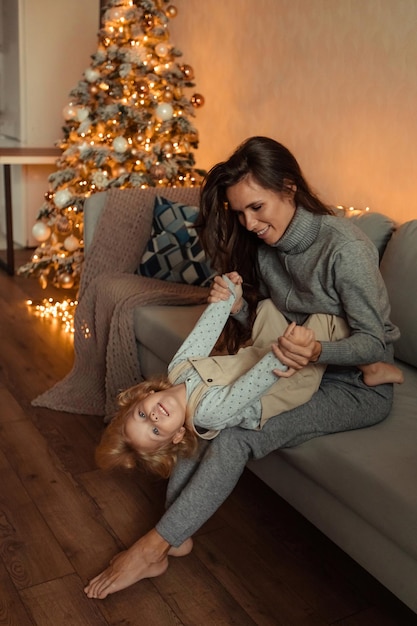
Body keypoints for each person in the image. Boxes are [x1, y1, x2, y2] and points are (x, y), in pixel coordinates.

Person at [84, 136, 402, 599]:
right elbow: (272, 327)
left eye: (256, 207)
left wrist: (317, 355)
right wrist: (232, 308)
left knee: (232, 433)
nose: (249, 224)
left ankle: (154, 545)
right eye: (239, 213)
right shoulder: (268, 244)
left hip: (352, 383)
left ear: (288, 188)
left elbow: (374, 342)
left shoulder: (344, 250)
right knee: (199, 418)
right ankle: (170, 537)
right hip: (290, 362)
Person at [96, 273, 401, 480]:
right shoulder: (208, 412)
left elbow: (204, 333)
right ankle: (371, 366)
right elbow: (253, 384)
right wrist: (285, 349)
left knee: (267, 308)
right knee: (326, 318)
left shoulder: (178, 370)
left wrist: (228, 296)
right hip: (284, 379)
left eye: (141, 414)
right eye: (156, 431)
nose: (154, 417)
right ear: (176, 435)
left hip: (257, 354)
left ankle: (276, 325)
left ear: (143, 396)